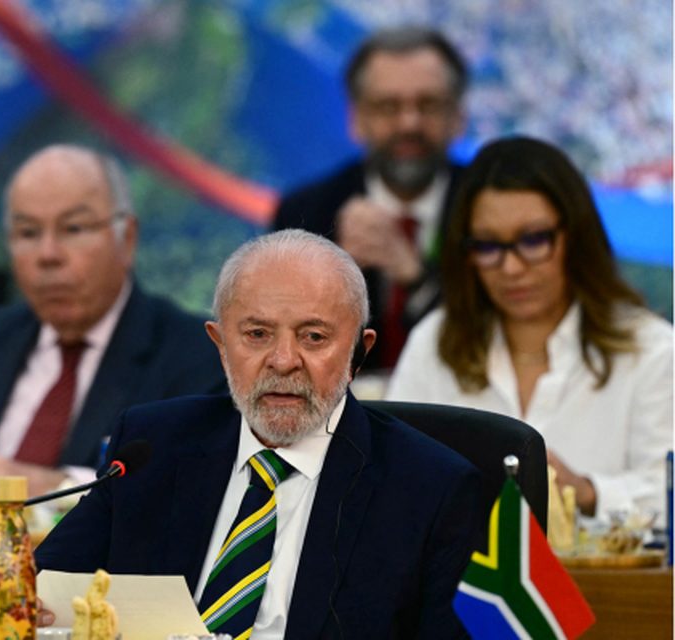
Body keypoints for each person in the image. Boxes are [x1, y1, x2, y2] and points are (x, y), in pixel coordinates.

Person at [36, 229, 479, 639]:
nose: (283, 360)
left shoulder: (430, 490)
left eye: (313, 337)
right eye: (257, 334)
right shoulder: (152, 447)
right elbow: (42, 593)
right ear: (220, 345)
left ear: (358, 354)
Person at [0, 145, 227, 509]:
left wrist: (59, 486)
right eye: (28, 233)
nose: (48, 254)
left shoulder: (194, 356)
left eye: (73, 228)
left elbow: (190, 492)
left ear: (126, 238)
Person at [387, 136, 673, 521]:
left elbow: (666, 490)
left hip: (603, 582)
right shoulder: (435, 342)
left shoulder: (651, 349)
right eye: (488, 246)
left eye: (534, 240)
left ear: (576, 237)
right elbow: (392, 479)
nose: (512, 268)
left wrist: (585, 492)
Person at [273, 27, 468, 371]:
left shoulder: (491, 207)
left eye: (428, 104)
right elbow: (283, 352)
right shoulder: (305, 214)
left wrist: (417, 281)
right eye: (388, 106)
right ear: (356, 119)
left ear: (458, 117)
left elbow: (505, 342)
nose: (409, 123)